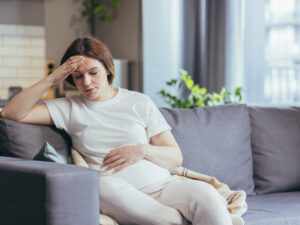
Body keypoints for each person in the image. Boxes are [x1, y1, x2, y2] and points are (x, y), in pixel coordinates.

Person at [1, 36, 237, 225]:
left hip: (162, 186)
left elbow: (175, 156)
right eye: (78, 76)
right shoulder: (69, 107)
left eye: (93, 72)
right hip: (113, 190)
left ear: (108, 68)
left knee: (207, 197)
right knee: (104, 187)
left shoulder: (138, 101)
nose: (87, 82)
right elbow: (12, 112)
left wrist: (142, 150)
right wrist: (51, 79)